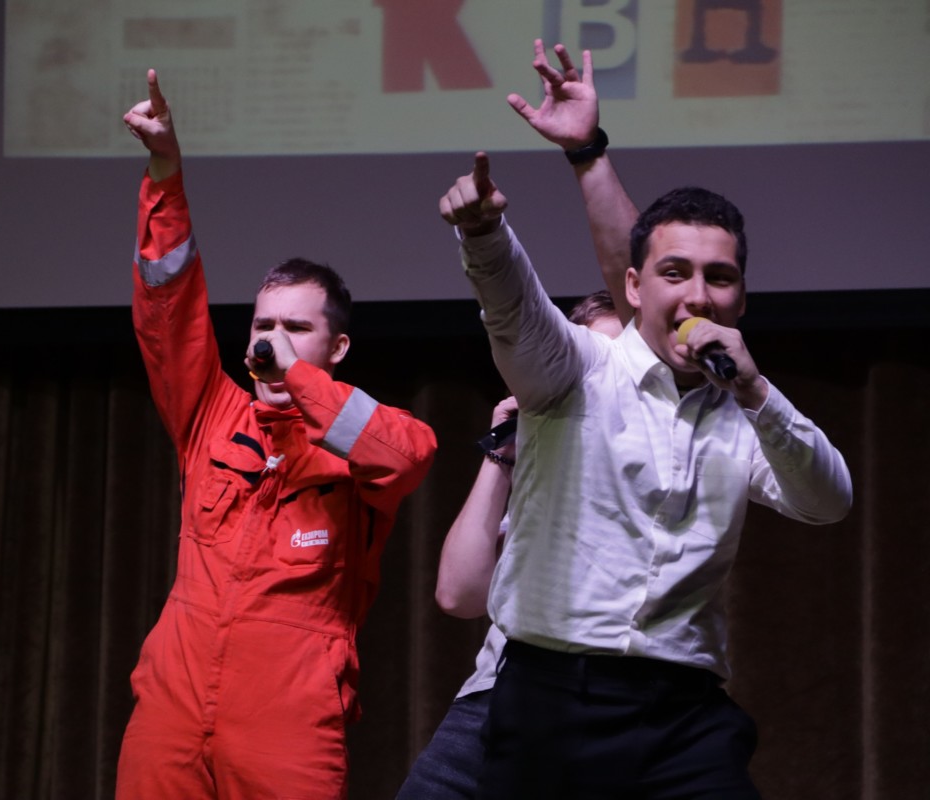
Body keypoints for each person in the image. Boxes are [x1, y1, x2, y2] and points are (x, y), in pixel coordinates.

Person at [439, 41, 852, 800]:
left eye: (719, 277)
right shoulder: (578, 370)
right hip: (550, 697)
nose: (697, 295)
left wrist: (757, 391)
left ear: (741, 298)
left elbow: (829, 501)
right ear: (633, 287)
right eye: (674, 273)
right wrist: (484, 236)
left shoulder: (745, 410)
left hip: (682, 712)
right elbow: (513, 310)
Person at [117, 70, 437, 800]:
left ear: (338, 347)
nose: (272, 339)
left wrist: (298, 378)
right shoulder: (211, 413)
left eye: (296, 327)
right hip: (172, 706)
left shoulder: (361, 437)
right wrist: (165, 173)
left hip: (288, 718)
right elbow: (167, 306)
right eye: (263, 324)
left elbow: (409, 455)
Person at [396, 292, 621, 800]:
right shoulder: (541, 471)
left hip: (603, 704)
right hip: (496, 696)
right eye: (588, 366)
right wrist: (503, 451)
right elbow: (459, 594)